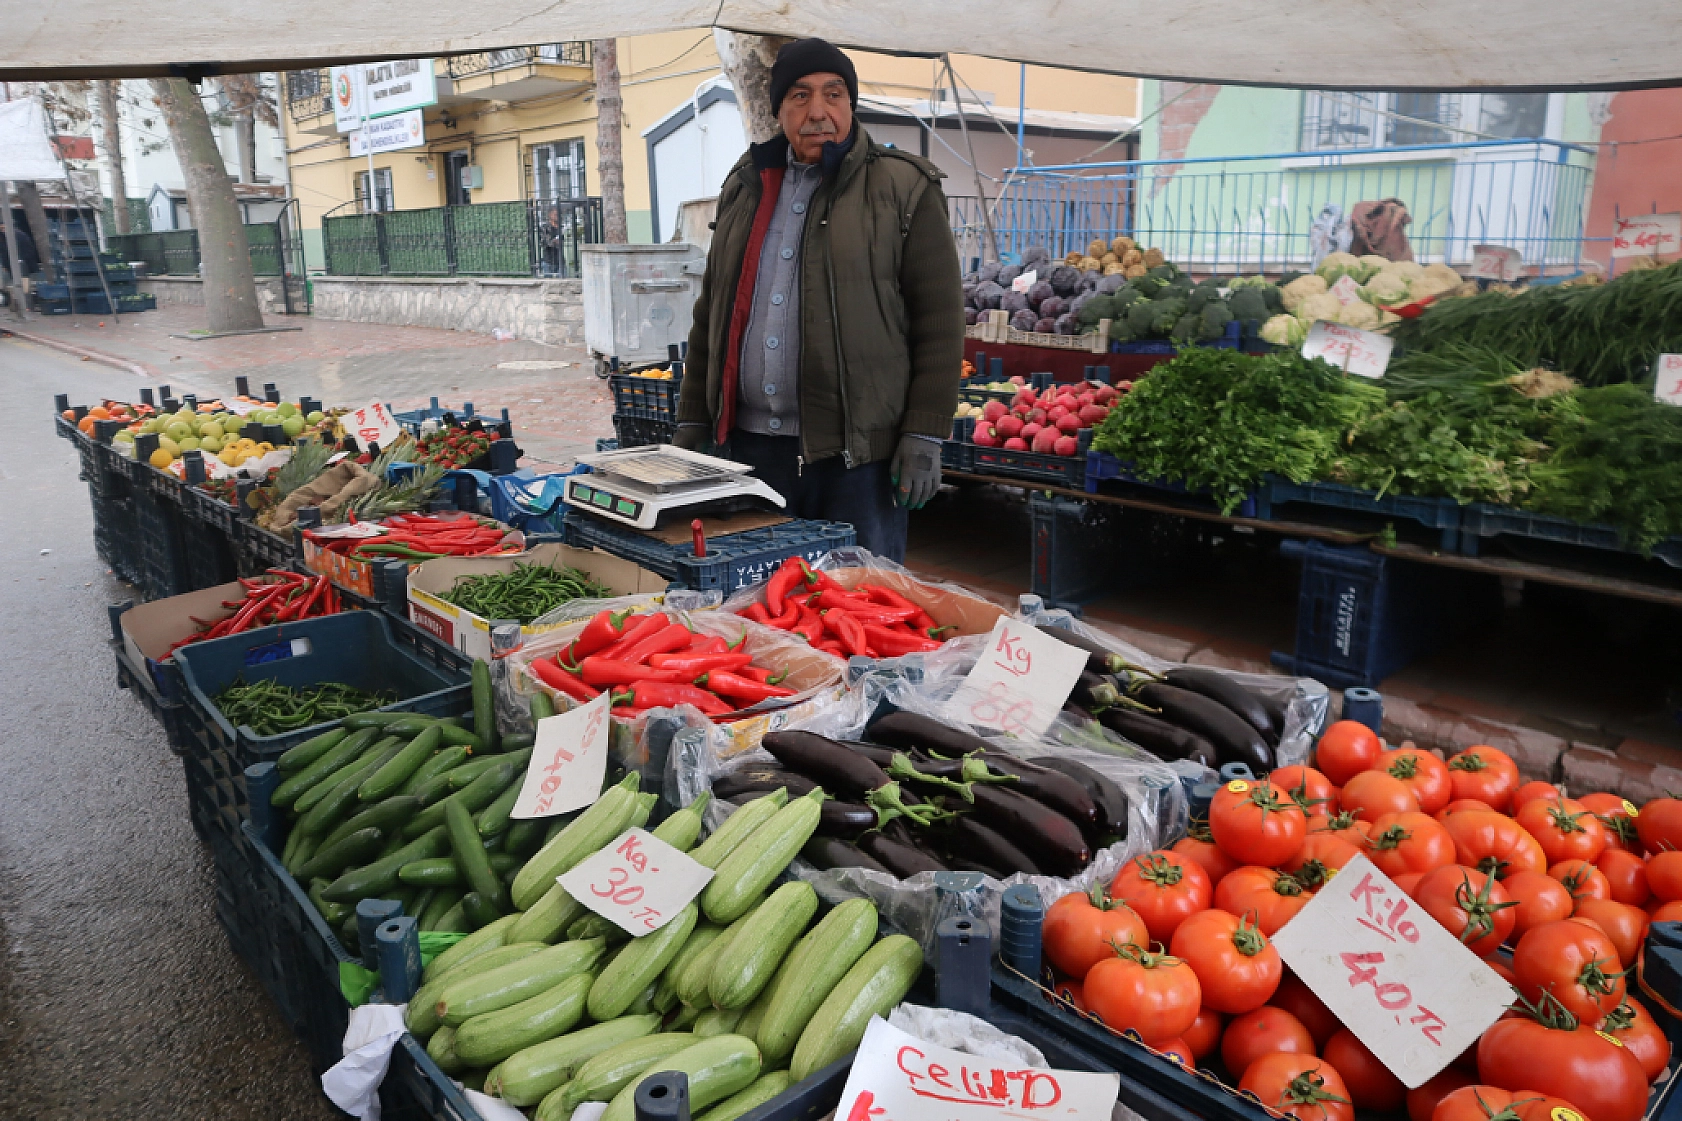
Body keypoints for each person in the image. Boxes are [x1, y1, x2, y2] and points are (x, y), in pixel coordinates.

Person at [673, 38, 963, 561]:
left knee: (857, 608)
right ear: (779, 109)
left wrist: (926, 432)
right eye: (800, 97)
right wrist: (694, 416)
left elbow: (940, 321)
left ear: (851, 104)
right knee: (756, 607)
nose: (818, 112)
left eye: (834, 95)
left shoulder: (904, 187)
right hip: (749, 452)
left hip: (858, 461)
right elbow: (709, 314)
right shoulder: (746, 184)